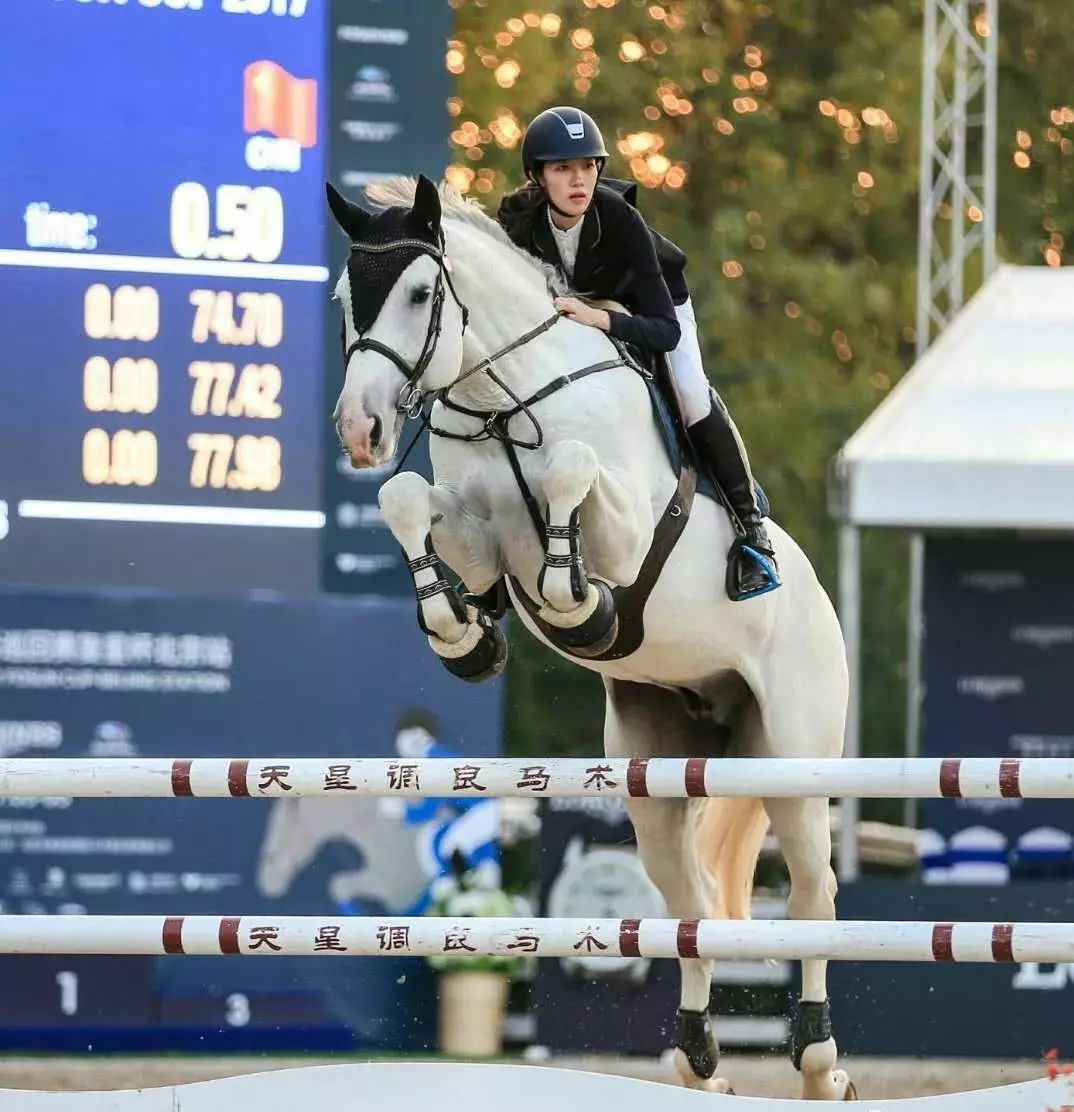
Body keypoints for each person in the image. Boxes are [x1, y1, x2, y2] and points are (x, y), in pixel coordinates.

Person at [496, 105, 779, 601]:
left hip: (654, 308)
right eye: (563, 168)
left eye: (588, 166)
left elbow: (665, 331)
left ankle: (752, 534)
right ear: (538, 177)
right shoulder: (518, 226)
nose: (579, 180)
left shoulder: (619, 219)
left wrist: (600, 319)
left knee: (690, 394)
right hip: (577, 315)